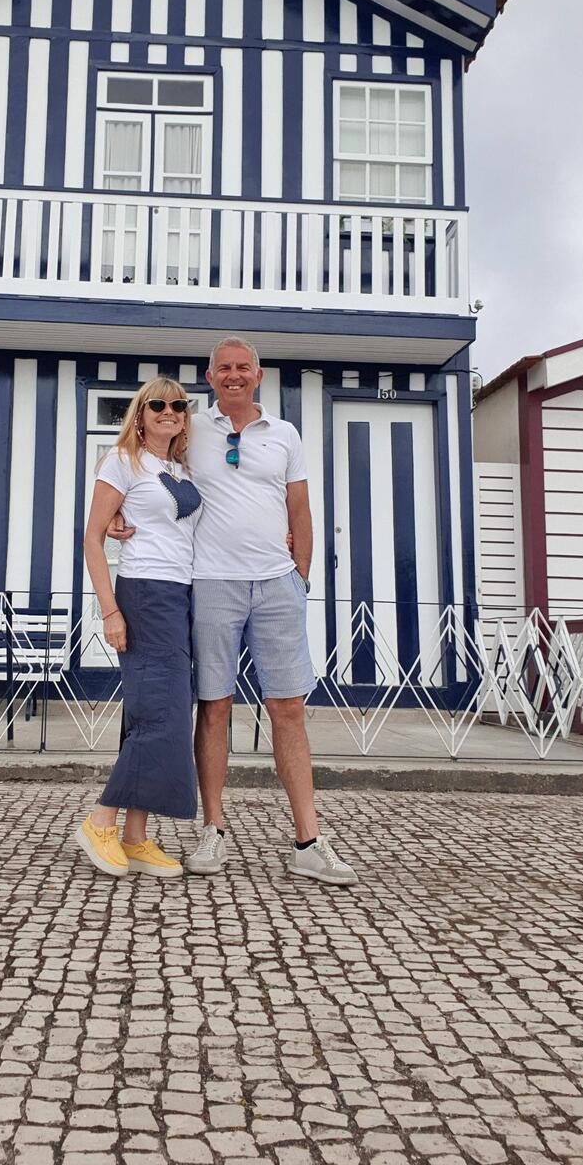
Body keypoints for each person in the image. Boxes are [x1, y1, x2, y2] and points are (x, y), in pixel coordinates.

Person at [111, 337, 357, 887]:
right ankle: (213, 829)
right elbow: (141, 467)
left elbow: (300, 508)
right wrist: (115, 518)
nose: (234, 375)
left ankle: (309, 841)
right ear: (210, 377)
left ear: (259, 374)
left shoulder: (285, 434)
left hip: (276, 584)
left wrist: (300, 576)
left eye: (244, 367)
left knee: (288, 707)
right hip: (210, 583)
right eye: (224, 368)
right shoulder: (190, 429)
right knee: (214, 707)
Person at [76, 377, 202, 880]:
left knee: (152, 713)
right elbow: (92, 539)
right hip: (145, 593)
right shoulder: (122, 461)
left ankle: (135, 835)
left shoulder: (181, 469)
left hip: (181, 594)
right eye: (158, 404)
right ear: (141, 414)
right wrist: (110, 611)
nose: (169, 411)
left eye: (179, 405)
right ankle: (100, 821)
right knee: (163, 717)